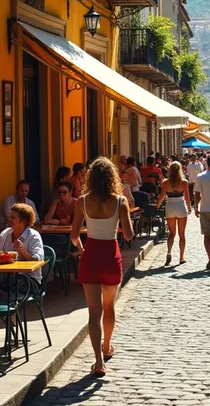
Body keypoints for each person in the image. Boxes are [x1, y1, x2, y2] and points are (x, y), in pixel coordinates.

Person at [71, 157, 133, 377]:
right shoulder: (120, 201)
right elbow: (128, 234)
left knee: (93, 313)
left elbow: (73, 235)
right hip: (110, 256)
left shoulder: (82, 201)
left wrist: (82, 250)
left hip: (91, 255)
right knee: (109, 306)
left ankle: (98, 361)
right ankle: (107, 346)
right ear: (112, 177)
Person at [0, 203, 44, 288]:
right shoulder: (5, 233)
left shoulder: (33, 236)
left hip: (29, 280)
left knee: (8, 290)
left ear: (23, 221)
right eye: (10, 216)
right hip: (7, 278)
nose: (9, 219)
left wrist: (22, 250)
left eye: (13, 217)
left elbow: (37, 260)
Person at [156, 161, 191, 266]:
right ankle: (181, 257)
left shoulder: (165, 182)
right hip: (181, 207)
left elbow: (162, 196)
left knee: (172, 233)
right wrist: (189, 208)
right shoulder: (184, 182)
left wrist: (157, 206)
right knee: (182, 234)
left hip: (170, 207)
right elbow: (187, 197)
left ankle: (169, 252)